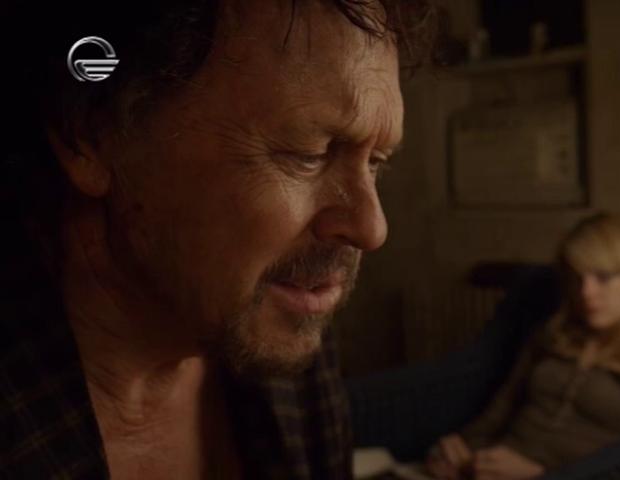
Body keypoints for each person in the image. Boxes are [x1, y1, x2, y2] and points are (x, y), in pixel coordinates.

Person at [0, 0, 434, 478]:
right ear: (93, 132)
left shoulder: (279, 317)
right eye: (307, 153)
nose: (372, 228)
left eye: (376, 162)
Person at [425, 213, 620, 479]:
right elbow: (499, 411)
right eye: (578, 278)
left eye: (603, 277)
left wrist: (543, 475)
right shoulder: (552, 335)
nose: (586, 292)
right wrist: (460, 451)